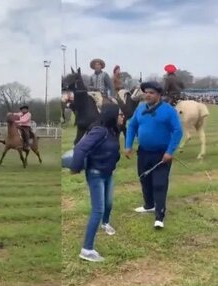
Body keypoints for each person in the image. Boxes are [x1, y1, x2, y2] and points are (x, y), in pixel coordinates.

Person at [125, 81, 183, 229]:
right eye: (146, 92)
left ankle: (159, 216)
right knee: (144, 179)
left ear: (158, 95)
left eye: (151, 93)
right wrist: (128, 145)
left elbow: (178, 131)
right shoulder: (140, 109)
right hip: (144, 152)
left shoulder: (168, 110)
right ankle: (149, 205)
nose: (148, 95)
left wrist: (170, 152)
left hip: (162, 155)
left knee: (159, 184)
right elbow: (131, 126)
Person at [70, 103, 124, 262]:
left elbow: (113, 151)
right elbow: (80, 149)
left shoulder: (113, 131)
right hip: (96, 174)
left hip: (108, 172)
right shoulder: (99, 131)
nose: (123, 116)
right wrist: (76, 167)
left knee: (108, 203)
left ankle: (105, 224)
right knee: (98, 210)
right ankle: (87, 250)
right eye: (120, 114)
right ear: (112, 116)